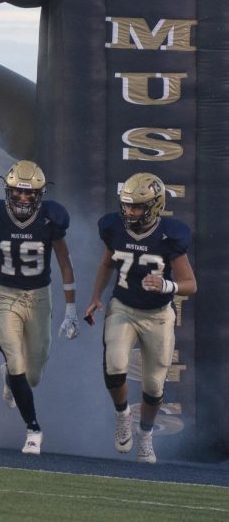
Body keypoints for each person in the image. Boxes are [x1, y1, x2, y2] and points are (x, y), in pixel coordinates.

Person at [0, 160, 77, 455]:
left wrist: (70, 309)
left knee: (34, 375)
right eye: (18, 192)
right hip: (4, 295)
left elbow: (65, 263)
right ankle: (33, 429)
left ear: (41, 194)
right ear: (8, 191)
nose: (24, 198)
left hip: (40, 298)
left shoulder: (52, 217)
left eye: (30, 194)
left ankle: (10, 377)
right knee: (16, 360)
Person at [84, 172, 196, 464]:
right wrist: (96, 297)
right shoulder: (113, 227)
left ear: (155, 206)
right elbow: (107, 263)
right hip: (123, 307)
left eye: (137, 207)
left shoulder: (170, 235)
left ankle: (145, 437)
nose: (130, 212)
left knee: (153, 386)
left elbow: (190, 284)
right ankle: (122, 415)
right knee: (115, 365)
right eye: (127, 205)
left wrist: (166, 285)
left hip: (158, 315)